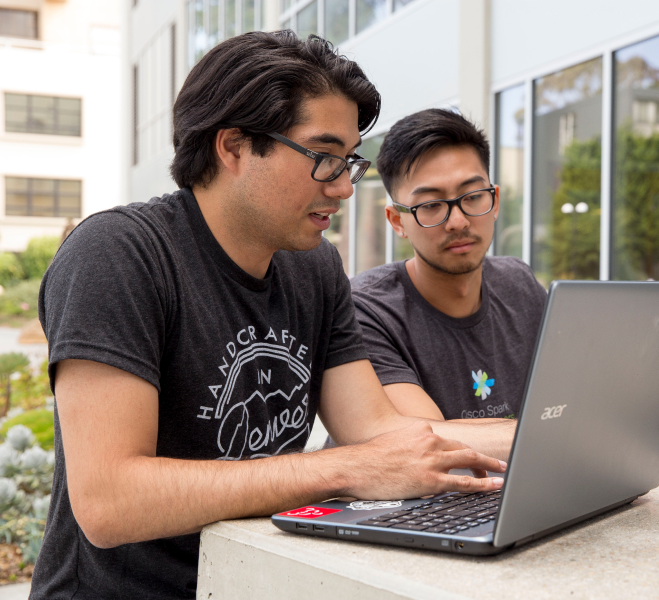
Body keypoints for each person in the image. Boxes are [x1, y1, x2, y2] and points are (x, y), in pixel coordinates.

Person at [32, 33, 514, 599]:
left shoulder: (313, 268)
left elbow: (379, 432)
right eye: (324, 158)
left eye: (349, 162)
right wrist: (342, 469)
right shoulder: (119, 254)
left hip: (252, 580)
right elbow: (109, 501)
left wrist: (553, 441)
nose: (342, 187)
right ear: (234, 147)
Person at [350, 108, 659, 466]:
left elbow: (594, 384)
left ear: (494, 200)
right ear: (397, 221)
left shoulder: (516, 281)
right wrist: (611, 431)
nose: (458, 220)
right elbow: (430, 438)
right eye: (430, 205)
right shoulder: (368, 308)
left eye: (472, 196)